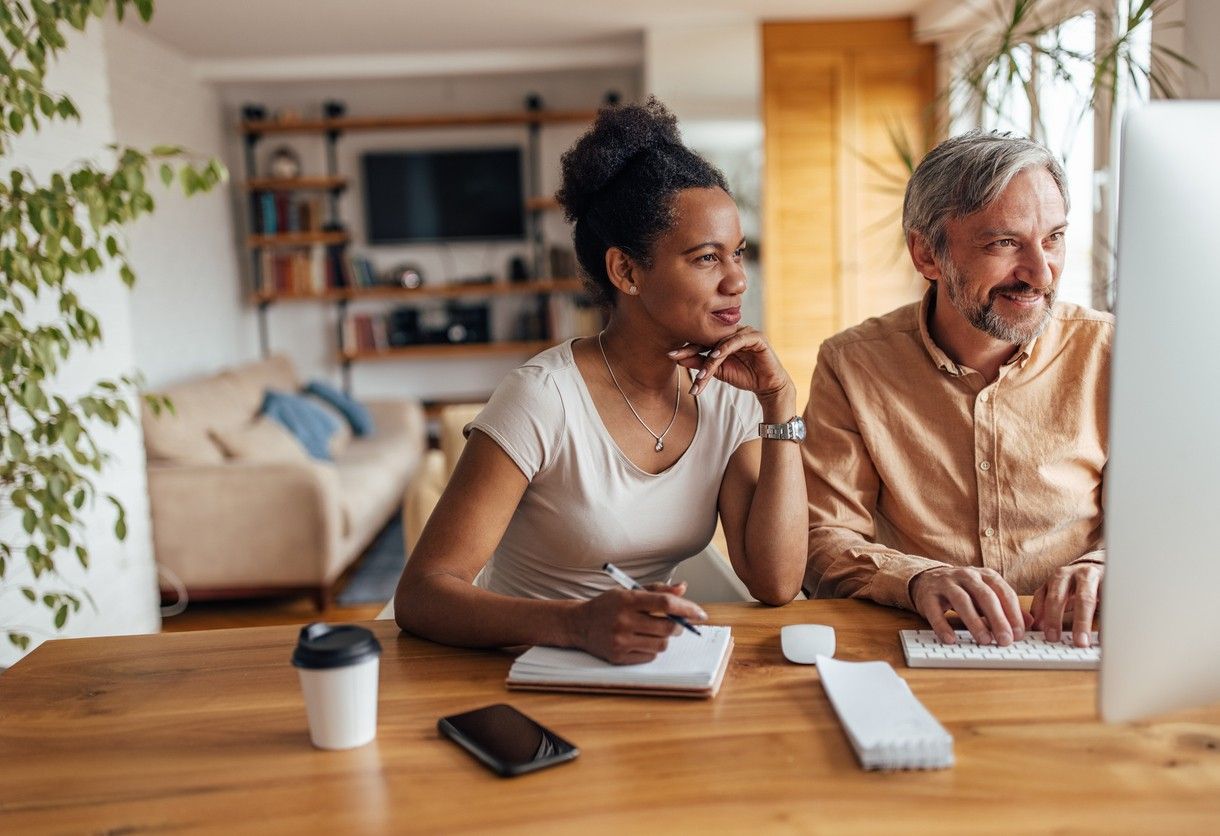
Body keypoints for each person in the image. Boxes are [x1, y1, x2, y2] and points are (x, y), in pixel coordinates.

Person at [395, 98, 806, 663]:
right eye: (707, 258)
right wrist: (578, 625)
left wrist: (779, 406)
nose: (737, 279)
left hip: (641, 669)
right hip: (512, 668)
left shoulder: (730, 394)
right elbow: (422, 595)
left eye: (736, 253)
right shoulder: (542, 397)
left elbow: (776, 581)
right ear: (626, 271)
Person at [802, 130, 1112, 649]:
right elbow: (822, 537)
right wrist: (916, 579)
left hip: (1083, 642)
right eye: (1004, 243)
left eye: (1054, 237)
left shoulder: (1112, 353)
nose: (1040, 273)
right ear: (927, 255)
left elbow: (1169, 519)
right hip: (927, 642)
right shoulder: (853, 365)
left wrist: (1110, 564)